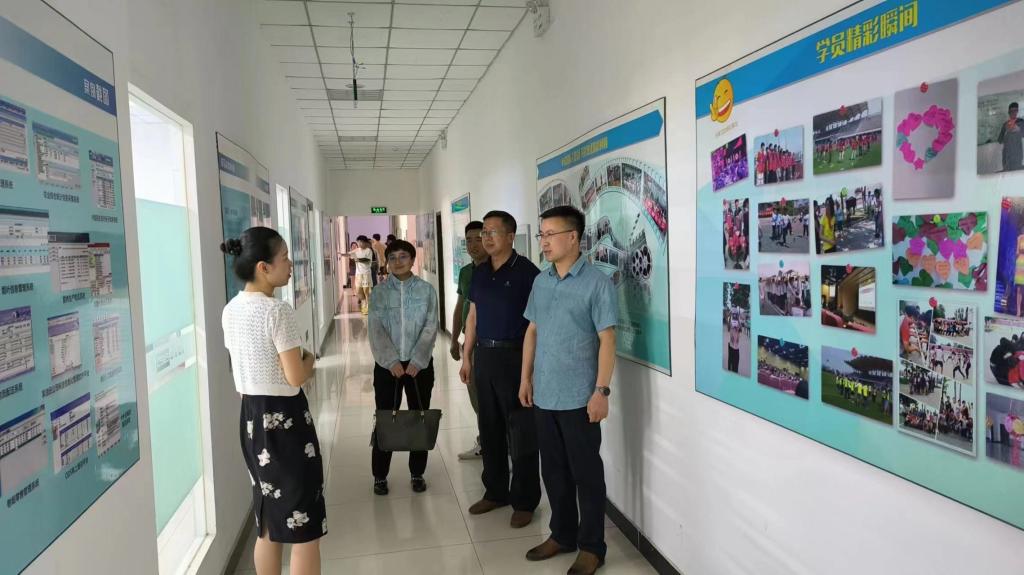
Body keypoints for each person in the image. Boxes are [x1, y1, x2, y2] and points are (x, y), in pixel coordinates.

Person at [519, 205, 618, 574]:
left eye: (550, 234)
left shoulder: (597, 283)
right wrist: (525, 378)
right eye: (542, 235)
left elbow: (608, 339)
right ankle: (562, 534)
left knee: (586, 475)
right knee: (553, 471)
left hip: (580, 398)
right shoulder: (541, 282)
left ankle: (592, 546)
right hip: (545, 394)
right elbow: (532, 330)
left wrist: (601, 391)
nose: (543, 242)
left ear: (573, 237)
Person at [220, 227, 324, 575]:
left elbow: (241, 370)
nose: (291, 264)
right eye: (285, 258)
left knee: (267, 519)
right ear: (263, 267)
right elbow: (295, 375)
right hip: (285, 423)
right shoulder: (277, 311)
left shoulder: (230, 310)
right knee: (304, 526)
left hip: (252, 418)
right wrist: (310, 358)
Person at [459, 210, 541, 529]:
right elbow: (473, 316)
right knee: (489, 426)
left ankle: (524, 500)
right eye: (484, 232)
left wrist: (530, 372)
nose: (487, 237)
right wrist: (467, 357)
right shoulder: (480, 273)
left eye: (493, 231)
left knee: (520, 432)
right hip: (485, 356)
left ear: (510, 236)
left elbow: (537, 324)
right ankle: (495, 492)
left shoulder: (528, 273)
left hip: (516, 357)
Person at [368, 240, 439, 496]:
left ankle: (417, 472)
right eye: (393, 257)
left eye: (403, 256)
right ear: (386, 262)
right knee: (386, 418)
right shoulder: (379, 293)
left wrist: (418, 360)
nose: (398, 262)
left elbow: (431, 326)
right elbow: (375, 329)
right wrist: (391, 361)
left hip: (420, 366)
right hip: (387, 367)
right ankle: (380, 475)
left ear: (412, 259)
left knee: (419, 417)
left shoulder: (426, 291)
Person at [450, 220, 488, 460]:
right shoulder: (466, 272)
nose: (473, 245)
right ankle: (485, 441)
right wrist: (454, 339)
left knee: (495, 399)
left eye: (478, 239)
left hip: (494, 343)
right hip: (470, 343)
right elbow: (460, 306)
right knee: (475, 396)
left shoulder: (496, 268)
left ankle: (504, 446)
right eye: (469, 241)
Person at [349, 236, 374, 315]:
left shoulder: (368, 250)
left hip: (366, 273)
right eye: (358, 242)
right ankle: (364, 304)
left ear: (364, 242)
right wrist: (342, 254)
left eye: (360, 242)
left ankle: (368, 307)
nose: (359, 244)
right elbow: (350, 254)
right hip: (358, 274)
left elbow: (368, 261)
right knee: (358, 290)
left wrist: (357, 259)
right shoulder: (357, 250)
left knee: (367, 291)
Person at [998, 102, 1024, 172]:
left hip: (1018, 157)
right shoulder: (1005, 125)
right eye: (1011, 111)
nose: (1013, 113)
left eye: (1015, 110)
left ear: (1017, 111)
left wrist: (1019, 129)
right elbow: (1000, 140)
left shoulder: (1021, 122)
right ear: (1008, 112)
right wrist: (1006, 131)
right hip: (1007, 157)